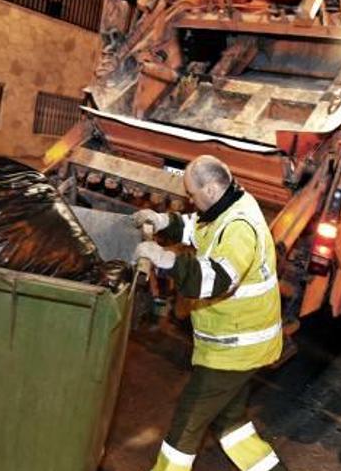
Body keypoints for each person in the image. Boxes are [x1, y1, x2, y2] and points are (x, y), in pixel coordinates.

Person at [133, 155, 288, 471]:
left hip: (236, 349)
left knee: (185, 427)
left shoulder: (241, 227)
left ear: (213, 188)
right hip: (234, 346)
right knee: (230, 422)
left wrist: (166, 260)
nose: (190, 200)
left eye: (192, 194)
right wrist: (165, 222)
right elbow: (197, 228)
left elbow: (217, 279)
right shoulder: (227, 206)